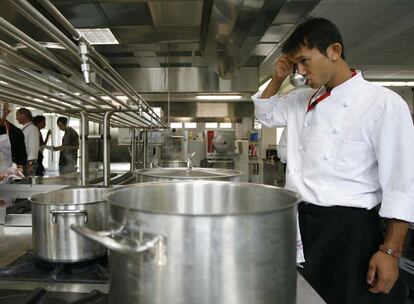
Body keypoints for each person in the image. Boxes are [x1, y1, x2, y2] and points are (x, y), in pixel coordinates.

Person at [252, 18, 413, 304]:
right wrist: (277, 77)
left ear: (334, 50)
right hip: (302, 225)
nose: (299, 73)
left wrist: (390, 251)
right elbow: (264, 113)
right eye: (295, 65)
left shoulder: (382, 103)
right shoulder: (301, 100)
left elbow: (401, 183)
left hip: (350, 232)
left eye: (304, 61)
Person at [0, 102, 27, 179]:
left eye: (1, 109)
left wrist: (20, 167)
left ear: (7, 112)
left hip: (7, 176)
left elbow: (21, 154)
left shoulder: (16, 132)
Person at [16, 108, 39, 176]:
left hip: (29, 162)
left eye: (17, 115)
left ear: (24, 115)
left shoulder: (32, 129)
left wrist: (30, 163)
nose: (16, 118)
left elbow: (33, 148)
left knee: (28, 183)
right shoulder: (27, 128)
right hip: (25, 161)